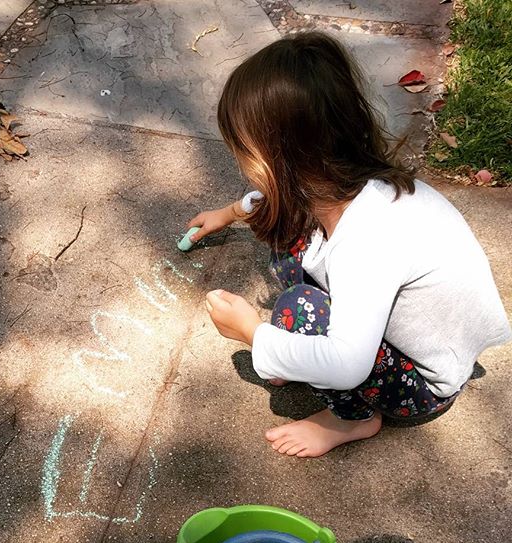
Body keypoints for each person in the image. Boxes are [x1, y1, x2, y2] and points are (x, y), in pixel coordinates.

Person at [185, 32, 510, 458]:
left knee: (303, 309)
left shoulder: (369, 239)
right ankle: (298, 355)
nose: (240, 162)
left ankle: (352, 419)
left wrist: (254, 334)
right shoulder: (340, 178)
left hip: (422, 381)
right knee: (288, 233)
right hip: (387, 320)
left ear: (280, 158)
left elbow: (346, 364)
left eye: (244, 151)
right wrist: (228, 213)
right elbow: (276, 199)